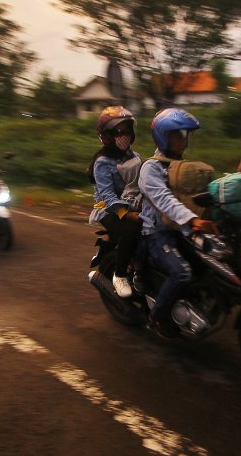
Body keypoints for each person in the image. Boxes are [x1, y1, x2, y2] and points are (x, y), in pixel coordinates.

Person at [138, 108, 218, 338]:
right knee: (182, 272)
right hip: (158, 232)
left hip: (183, 229)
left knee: (214, 261)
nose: (183, 141)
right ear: (163, 136)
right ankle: (157, 317)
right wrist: (192, 219)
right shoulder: (151, 168)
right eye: (177, 136)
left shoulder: (182, 166)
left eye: (184, 136)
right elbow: (164, 199)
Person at [87, 106, 143, 298]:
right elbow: (107, 196)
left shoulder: (133, 156)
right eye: (119, 131)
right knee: (130, 230)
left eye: (127, 130)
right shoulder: (102, 162)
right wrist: (126, 214)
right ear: (107, 135)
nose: (124, 135)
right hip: (107, 208)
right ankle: (120, 275)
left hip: (132, 203)